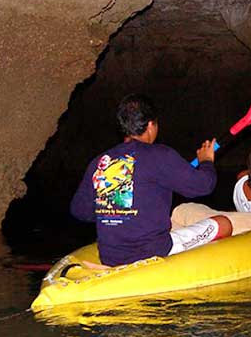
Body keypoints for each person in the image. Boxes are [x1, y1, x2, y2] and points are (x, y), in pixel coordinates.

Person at [70, 94, 232, 267]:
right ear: (150, 125)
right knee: (224, 224)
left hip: (110, 256)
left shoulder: (100, 162)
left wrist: (115, 215)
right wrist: (206, 161)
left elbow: (80, 211)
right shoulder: (160, 155)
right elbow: (204, 185)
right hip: (154, 250)